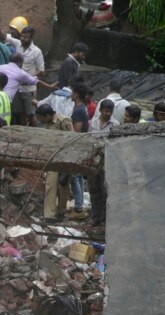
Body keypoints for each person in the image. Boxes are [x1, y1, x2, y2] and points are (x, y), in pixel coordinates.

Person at [33, 104, 73, 221]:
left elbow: (73, 139)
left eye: (41, 118)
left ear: (48, 116)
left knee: (63, 187)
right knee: (50, 185)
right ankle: (49, 215)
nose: (40, 121)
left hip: (65, 159)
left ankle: (61, 212)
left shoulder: (63, 121)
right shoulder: (47, 123)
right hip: (53, 159)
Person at [68, 82, 90, 219]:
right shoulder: (82, 108)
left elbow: (76, 131)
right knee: (79, 177)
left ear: (76, 94)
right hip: (82, 146)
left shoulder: (78, 111)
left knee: (75, 177)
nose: (70, 94)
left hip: (77, 147)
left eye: (72, 92)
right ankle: (79, 204)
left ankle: (78, 207)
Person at [14, 27, 44, 126]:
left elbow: (41, 70)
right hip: (17, 87)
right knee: (20, 113)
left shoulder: (37, 51)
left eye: (26, 37)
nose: (23, 39)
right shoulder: (18, 46)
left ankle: (35, 132)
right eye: (22, 36)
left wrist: (29, 78)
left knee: (30, 114)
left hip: (29, 89)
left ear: (31, 38)